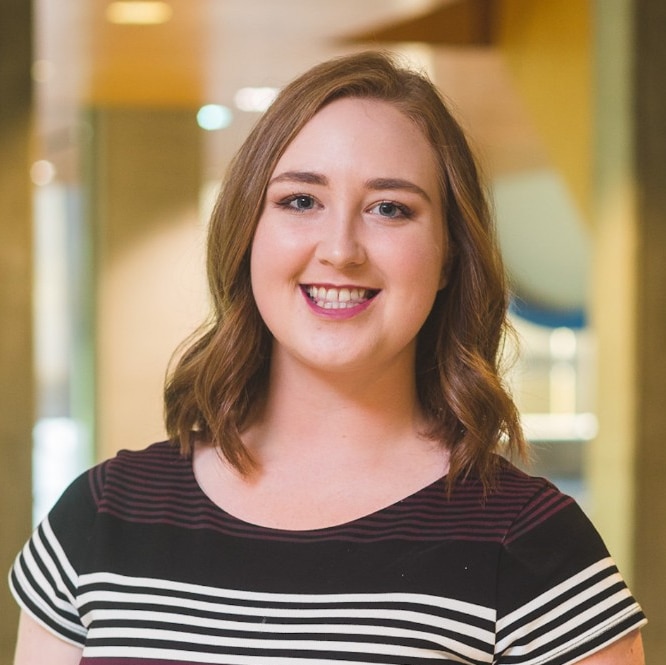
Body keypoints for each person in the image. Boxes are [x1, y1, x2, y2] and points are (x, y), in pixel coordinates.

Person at [9, 51, 646, 664]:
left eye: (389, 208)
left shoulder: (534, 546)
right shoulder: (100, 516)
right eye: (300, 201)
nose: (340, 249)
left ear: (451, 254)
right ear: (247, 232)